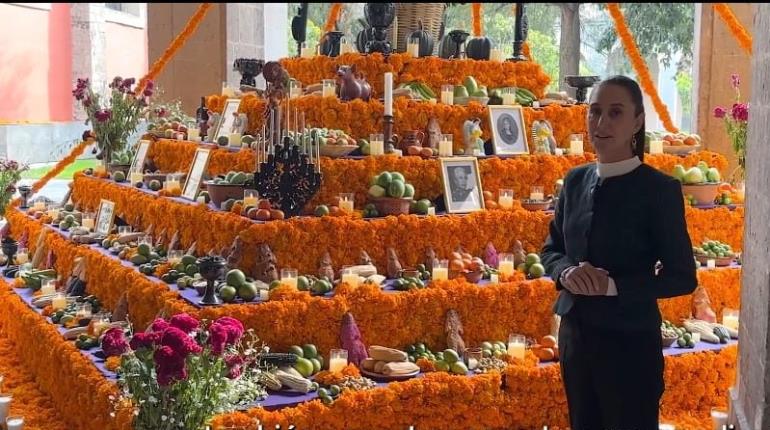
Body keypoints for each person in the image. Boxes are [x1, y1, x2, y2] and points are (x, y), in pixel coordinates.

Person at [540, 75, 697, 430]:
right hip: (576, 339)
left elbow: (682, 276)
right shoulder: (575, 181)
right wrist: (565, 272)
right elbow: (551, 250)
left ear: (638, 121)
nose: (601, 123)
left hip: (630, 344)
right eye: (595, 112)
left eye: (615, 113)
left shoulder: (659, 190)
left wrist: (613, 287)